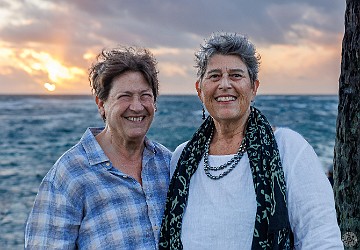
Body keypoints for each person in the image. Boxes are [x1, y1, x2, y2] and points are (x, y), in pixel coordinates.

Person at [159, 32, 343, 249]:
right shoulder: (182, 157)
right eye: (214, 76)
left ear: (253, 88)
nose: (225, 84)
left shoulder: (288, 148)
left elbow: (321, 239)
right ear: (200, 90)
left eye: (236, 75)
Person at [25, 46, 171, 249]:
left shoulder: (168, 164)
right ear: (101, 104)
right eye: (125, 96)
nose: (137, 106)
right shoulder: (70, 175)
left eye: (145, 95)